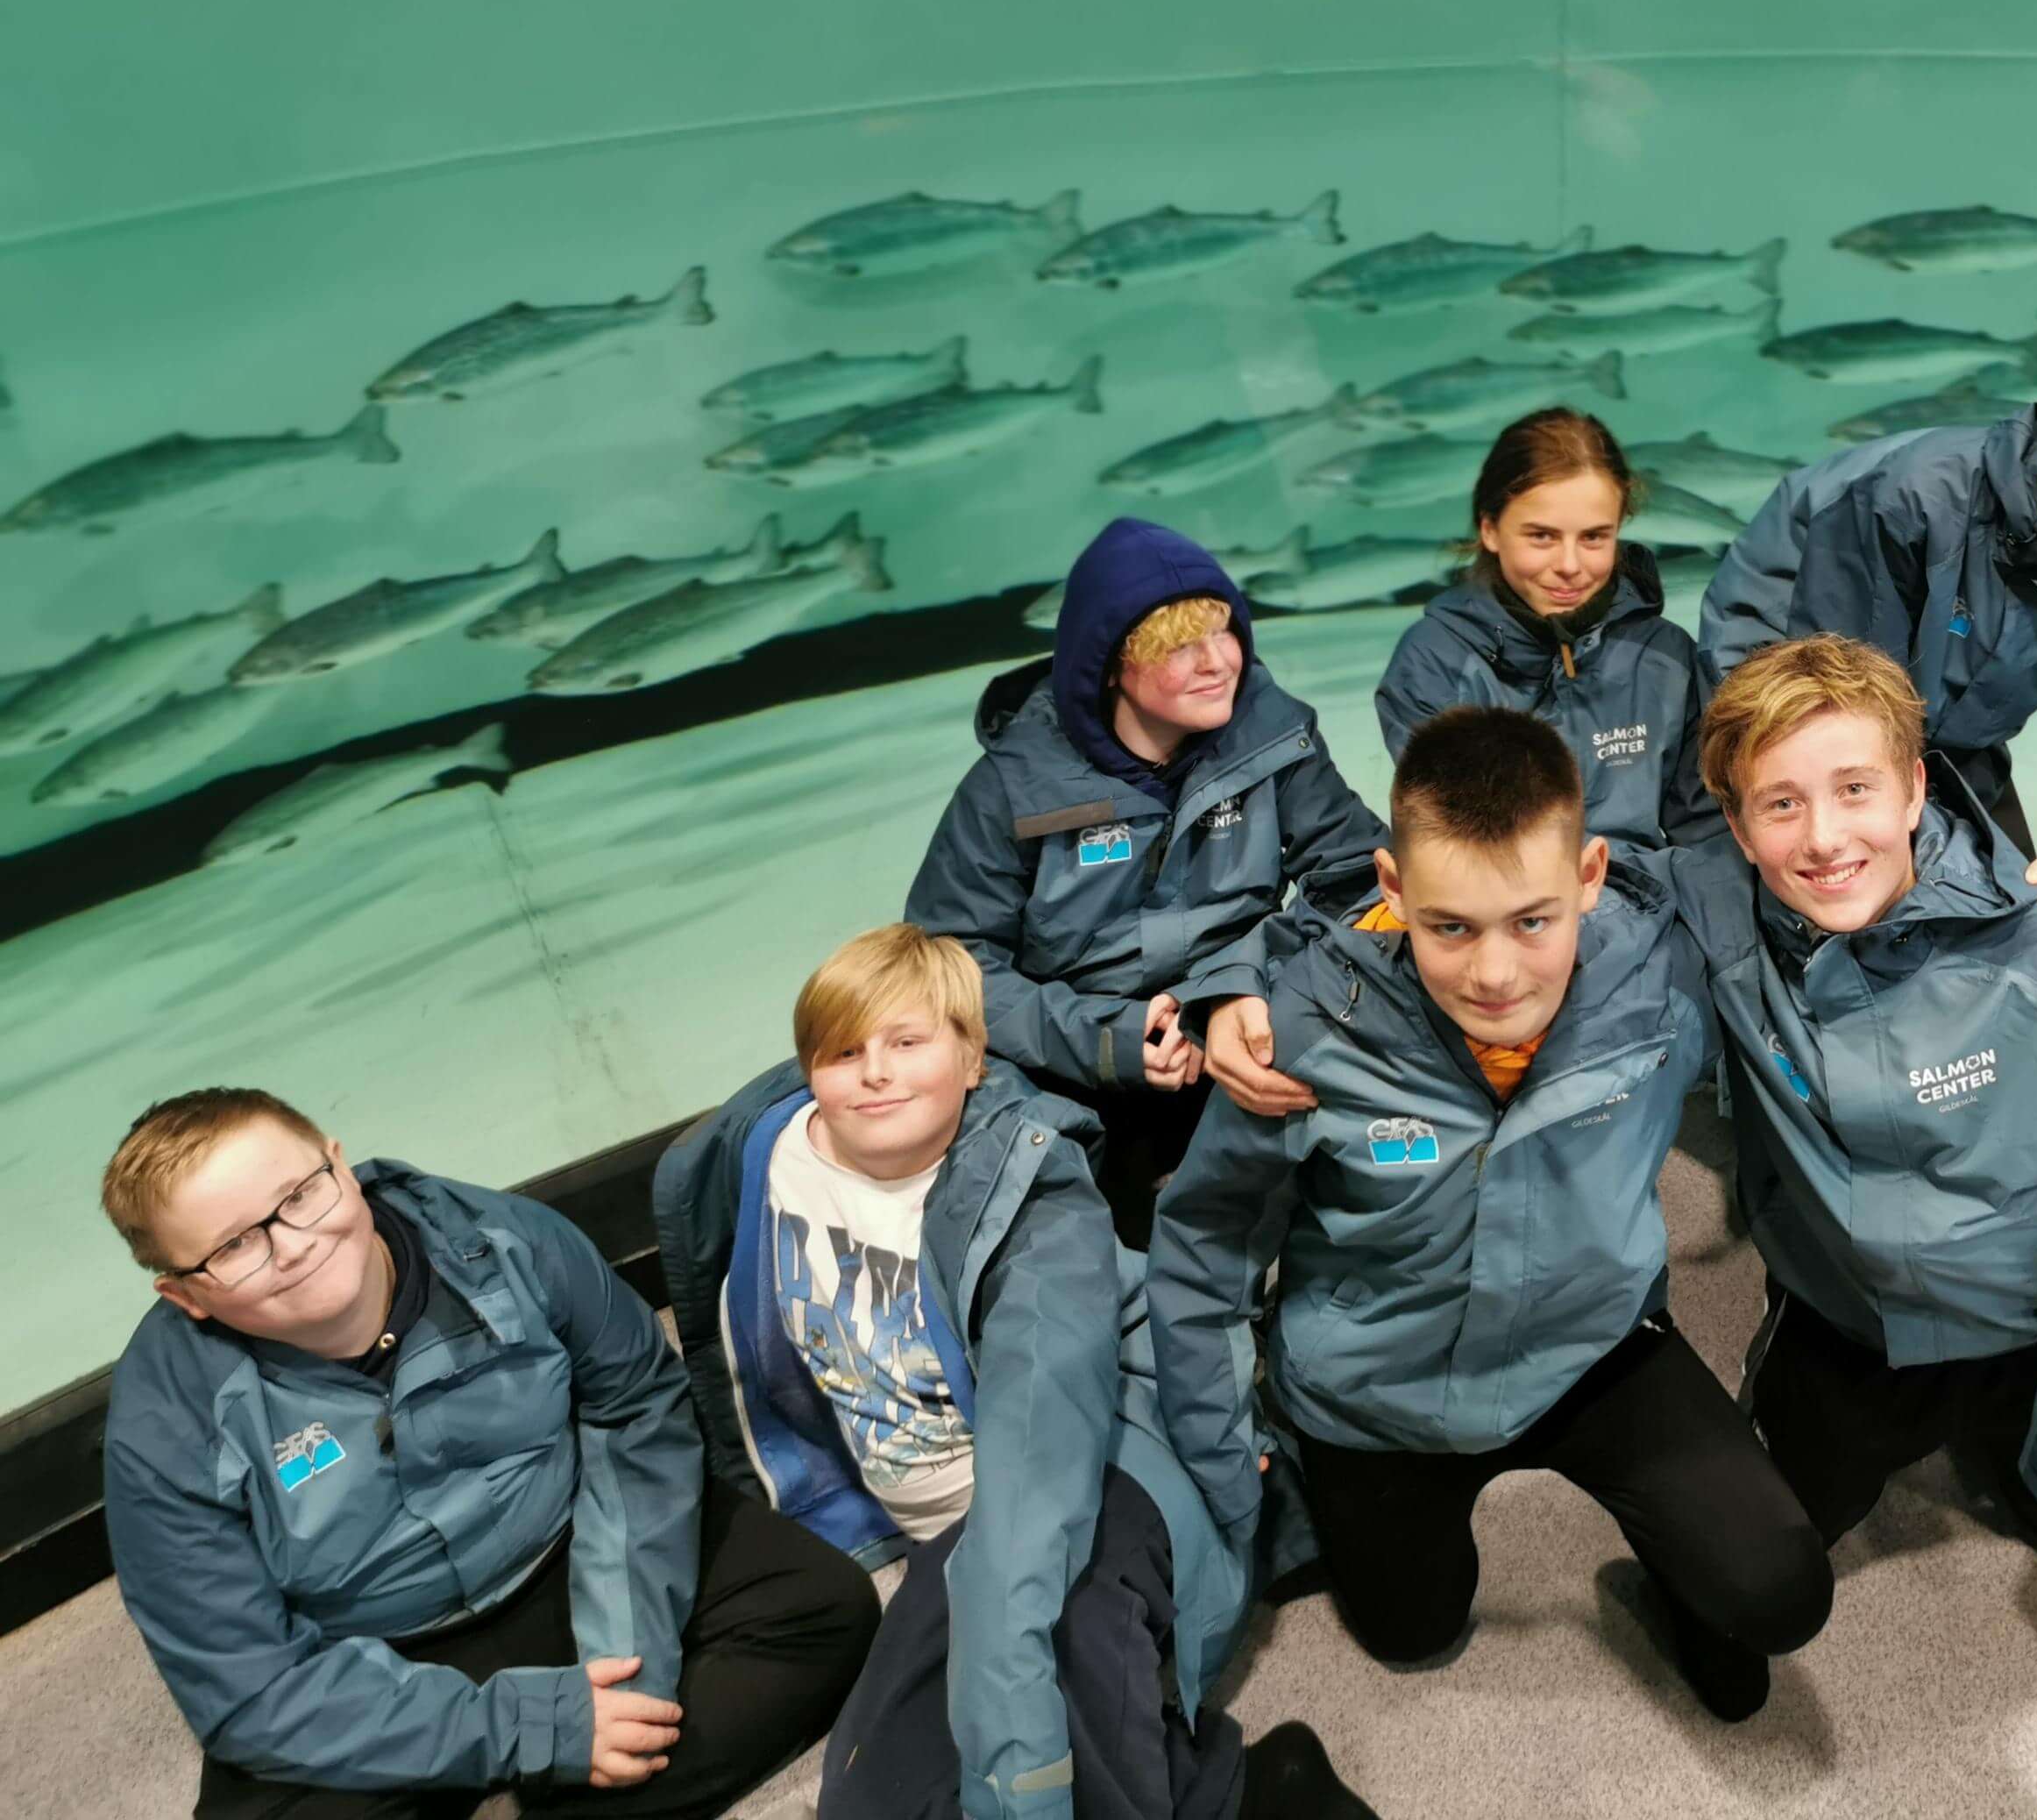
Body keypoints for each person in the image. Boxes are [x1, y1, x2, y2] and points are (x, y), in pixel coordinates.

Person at [1150, 709, 1833, 1724]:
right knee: (1412, 1632)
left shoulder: (1663, 969)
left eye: (1533, 921)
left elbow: (1836, 863)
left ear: (1591, 876)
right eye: (1451, 927)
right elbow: (1203, 1249)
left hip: (1592, 1344)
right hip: (1377, 1391)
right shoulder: (1297, 1030)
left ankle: (1677, 1570)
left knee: (1775, 1593)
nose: (1496, 974)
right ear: (1393, 890)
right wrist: (1226, 1458)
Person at [652, 924, 1372, 1820]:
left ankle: (1253, 1790)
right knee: (871, 1795)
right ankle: (1252, 1787)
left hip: (1104, 1457)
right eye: (843, 1052)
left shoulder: (1036, 1201)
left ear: (973, 1058)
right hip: (949, 1530)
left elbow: (1034, 1480)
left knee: (1049, 1679)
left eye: (908, 1042)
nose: (874, 1072)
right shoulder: (760, 1157)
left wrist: (1020, 1791)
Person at [97, 1088, 878, 1819]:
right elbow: (249, 1685)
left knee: (825, 1612)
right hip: (366, 1650)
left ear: (340, 1165)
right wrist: (528, 1728)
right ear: (186, 1295)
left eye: (300, 1195)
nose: (293, 1247)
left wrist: (627, 1658)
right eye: (235, 1245)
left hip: (572, 1545)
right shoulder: (162, 1427)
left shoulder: (507, 1239)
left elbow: (638, 1407)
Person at [1673, 634, 2037, 1561]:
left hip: (2031, 1320)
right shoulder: (1716, 926)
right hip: (1844, 1317)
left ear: (1915, 789)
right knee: (1757, 1577)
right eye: (1781, 803)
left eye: (1855, 789)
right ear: (1738, 830)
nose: (1823, 838)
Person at [907, 515, 1385, 1247]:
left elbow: (1362, 882)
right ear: (1108, 667)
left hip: (1248, 1022)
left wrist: (1242, 991)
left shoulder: (1273, 735)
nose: (1217, 662)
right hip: (1075, 1061)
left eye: (1224, 632)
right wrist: (1107, 1040)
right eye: (1179, 646)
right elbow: (950, 963)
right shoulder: (1011, 786)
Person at [1698, 346, 2037, 851]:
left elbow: (1982, 697)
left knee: (2015, 897)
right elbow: (1845, 710)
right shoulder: (1908, 500)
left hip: (1935, 725)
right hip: (1782, 693)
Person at [1373, 406, 1718, 854]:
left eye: (1594, 537)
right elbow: (1469, 855)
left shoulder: (1666, 656)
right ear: (1490, 530)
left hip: (1651, 893)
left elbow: (1708, 838)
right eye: (1542, 536)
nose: (1570, 565)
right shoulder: (1434, 665)